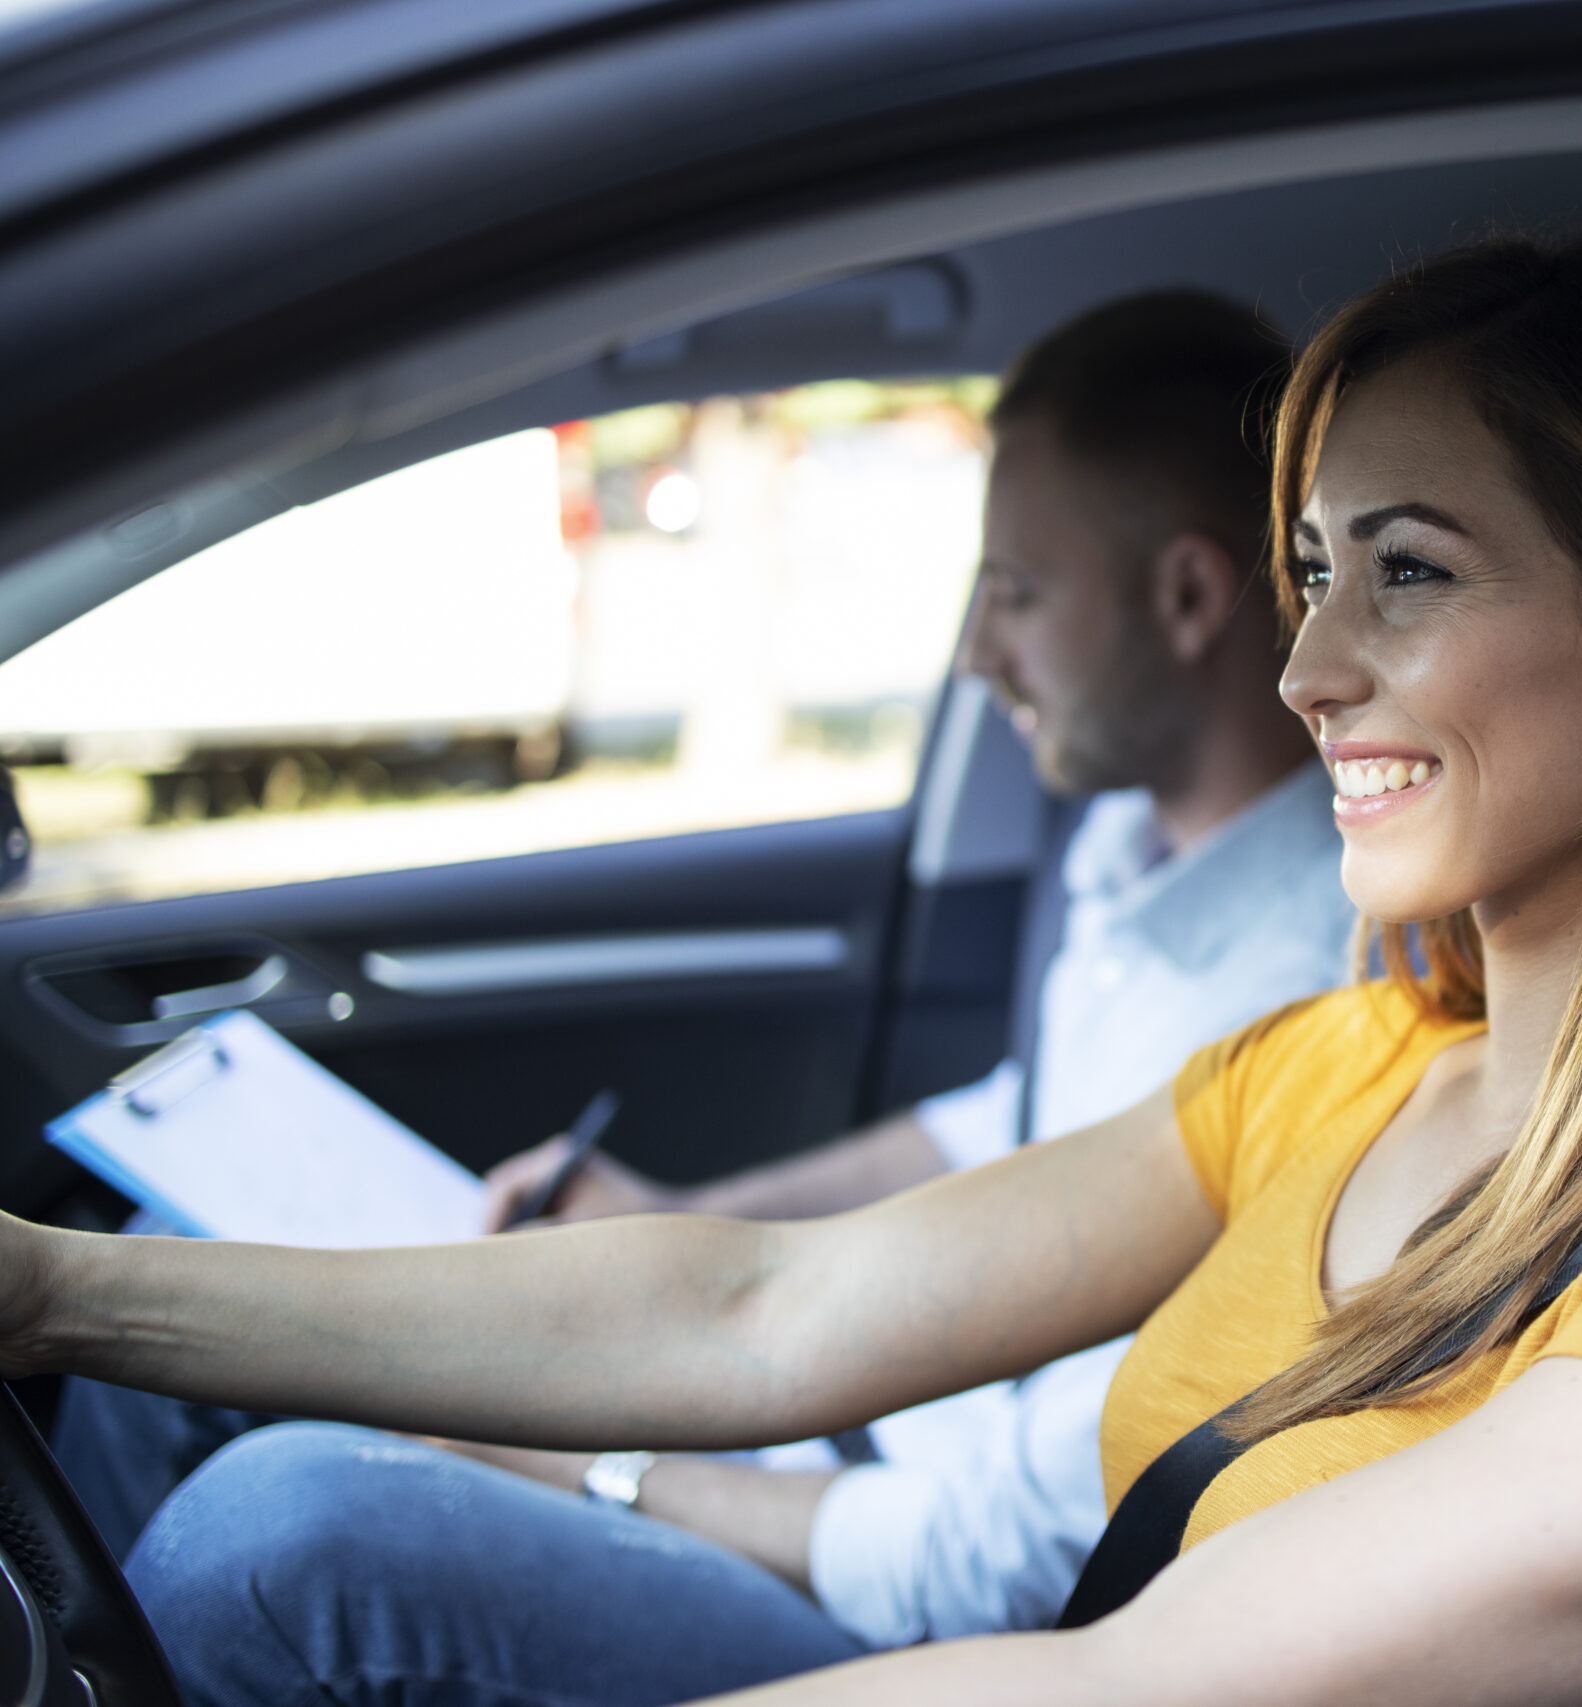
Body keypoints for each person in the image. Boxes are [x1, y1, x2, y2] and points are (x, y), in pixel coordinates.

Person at [3, 238, 1582, 1707]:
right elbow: (766, 1308)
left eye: (1404, 571)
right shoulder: (1345, 1064)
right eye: (1311, 571)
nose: (1310, 667)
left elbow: (1130, 1682)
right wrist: (67, 1292)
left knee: (281, 1553)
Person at [46, 288, 1354, 1647]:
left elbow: (997, 1563)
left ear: (1191, 594)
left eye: (1015, 594)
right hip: (835, 1425)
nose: (977, 654)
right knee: (187, 1258)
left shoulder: (1308, 995)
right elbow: (1017, 1123)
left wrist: (575, 1459)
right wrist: (683, 1207)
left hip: (910, 1611)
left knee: (284, 1537)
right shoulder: (1137, 859)